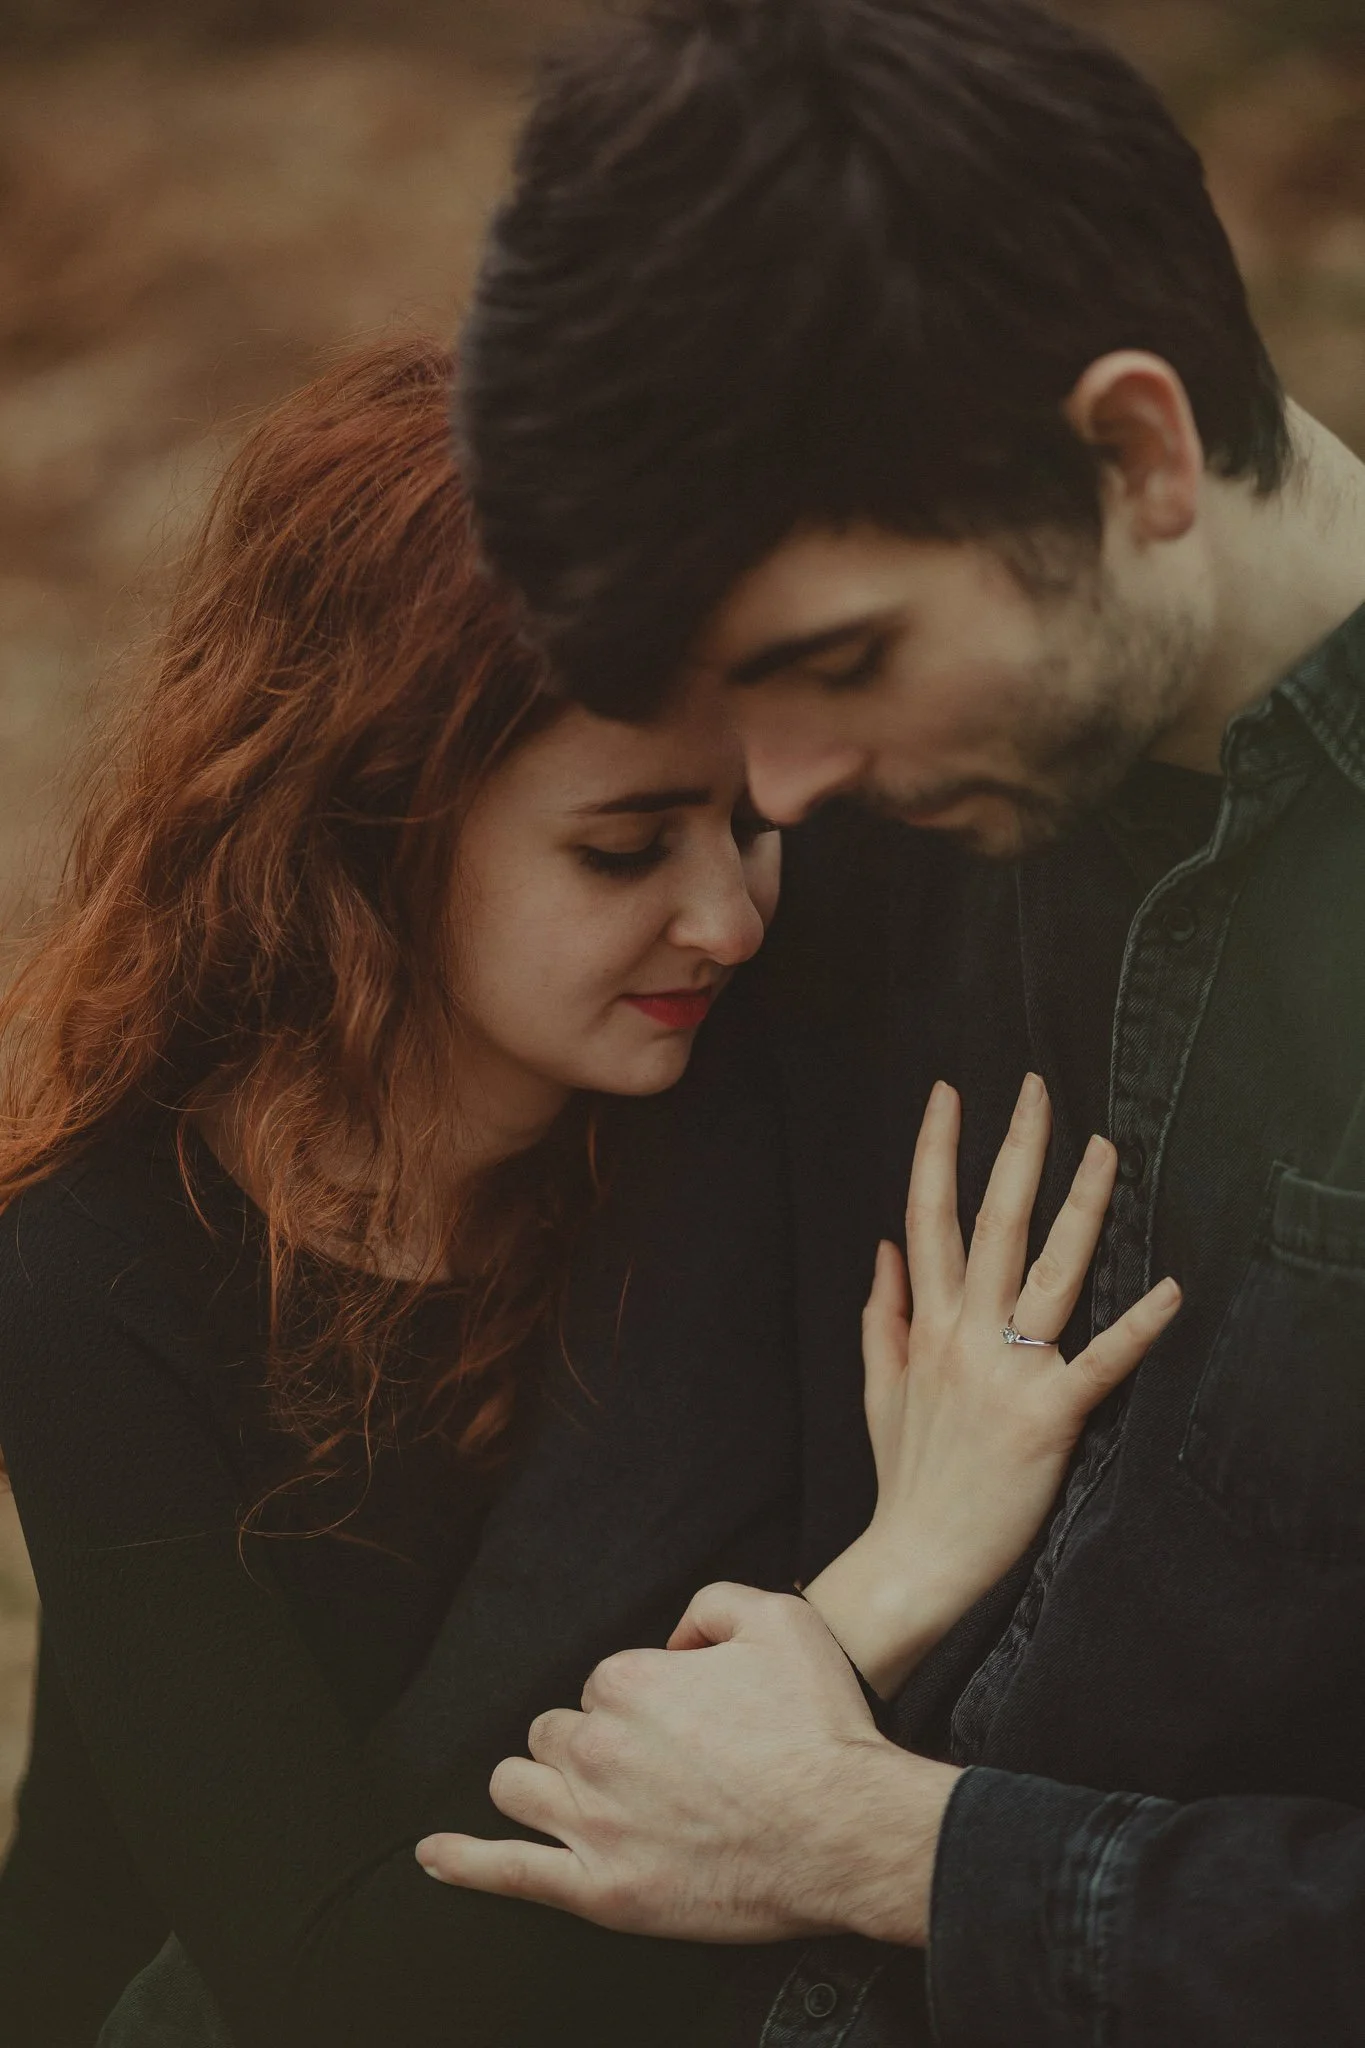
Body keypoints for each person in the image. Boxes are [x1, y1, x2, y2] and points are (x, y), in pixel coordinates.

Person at [0, 334, 1169, 2047]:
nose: (732, 916)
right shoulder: (96, 1272)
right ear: (365, 822)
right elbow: (344, 1993)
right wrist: (886, 1586)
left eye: (753, 820)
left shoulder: (746, 1092)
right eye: (625, 849)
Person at [413, 2, 1365, 2043]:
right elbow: (543, 1696)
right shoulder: (865, 841)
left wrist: (898, 1846)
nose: (783, 789)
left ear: (1133, 452)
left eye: (841, 656)